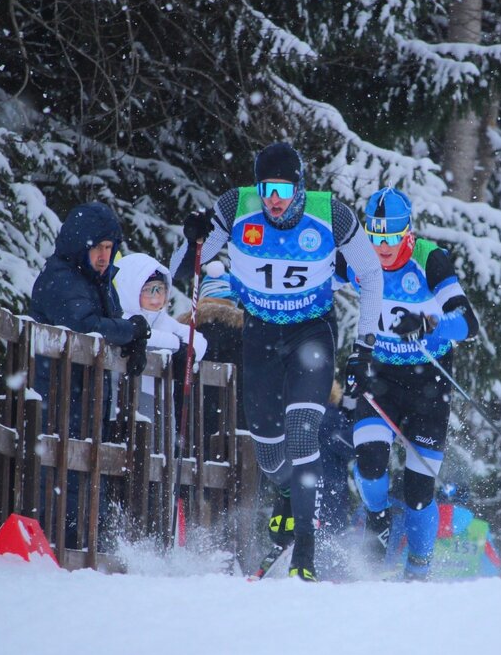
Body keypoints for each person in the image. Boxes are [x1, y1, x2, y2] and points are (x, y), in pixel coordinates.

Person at [169, 142, 383, 581]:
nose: (274, 200)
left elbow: (371, 273)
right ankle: (287, 493)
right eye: (267, 188)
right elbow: (181, 270)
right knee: (268, 451)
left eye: (283, 189)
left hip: (311, 333)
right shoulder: (236, 207)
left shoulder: (331, 215)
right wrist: (191, 237)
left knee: (304, 436)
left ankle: (306, 547)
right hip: (261, 335)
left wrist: (365, 346)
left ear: (299, 187)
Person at [334, 187, 480, 580]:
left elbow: (468, 324)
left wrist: (430, 327)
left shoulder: (430, 259)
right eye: (375, 237)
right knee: (370, 462)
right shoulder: (358, 258)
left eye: (391, 239)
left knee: (418, 493)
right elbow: (314, 277)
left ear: (408, 235)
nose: (381, 248)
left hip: (427, 384)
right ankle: (377, 518)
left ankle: (418, 569)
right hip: (379, 376)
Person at [29, 201, 152, 548]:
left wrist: (133, 340)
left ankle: (80, 542)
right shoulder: (61, 279)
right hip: (56, 394)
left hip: (82, 399)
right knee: (58, 474)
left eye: (109, 248)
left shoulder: (96, 281)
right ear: (80, 246)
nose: (103, 255)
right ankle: (60, 544)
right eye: (97, 247)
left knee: (81, 473)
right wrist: (129, 331)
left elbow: (108, 326)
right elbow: (85, 327)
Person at [113, 252, 207, 419]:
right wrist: (177, 345)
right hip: (125, 393)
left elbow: (198, 339)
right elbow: (140, 335)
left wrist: (188, 351)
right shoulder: (121, 319)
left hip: (161, 398)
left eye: (160, 289)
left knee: (161, 441)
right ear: (131, 290)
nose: (156, 297)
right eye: (148, 290)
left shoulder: (165, 321)